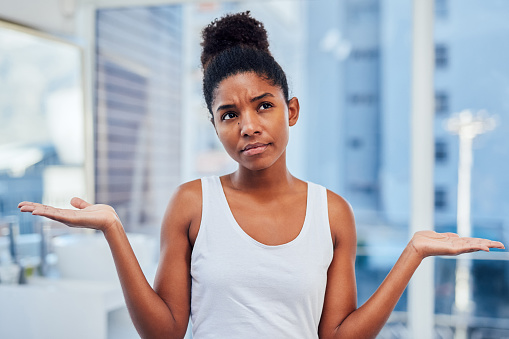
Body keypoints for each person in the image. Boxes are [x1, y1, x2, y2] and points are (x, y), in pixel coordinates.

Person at [18, 11, 504, 339]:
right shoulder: (192, 203)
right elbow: (165, 332)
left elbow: (337, 336)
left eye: (263, 106)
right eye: (228, 115)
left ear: (290, 110)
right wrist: (112, 230)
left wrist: (413, 252)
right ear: (214, 126)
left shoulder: (333, 213)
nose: (248, 126)